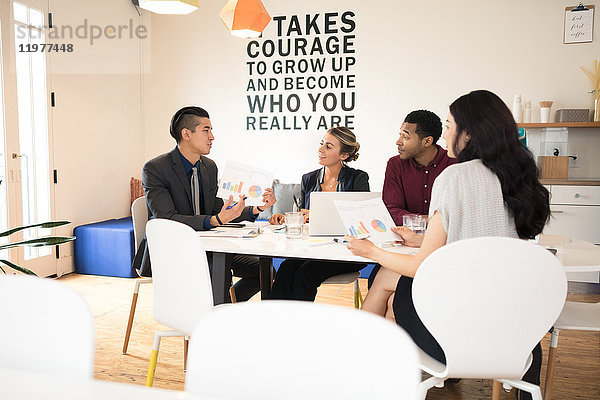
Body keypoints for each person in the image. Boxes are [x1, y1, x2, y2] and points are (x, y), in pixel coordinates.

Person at [347, 90, 550, 399]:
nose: (447, 134)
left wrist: (372, 251)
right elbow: (487, 242)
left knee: (390, 276)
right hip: (515, 336)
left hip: (455, 339)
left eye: (450, 125)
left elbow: (420, 266)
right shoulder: (524, 177)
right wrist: (424, 239)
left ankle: (365, 364)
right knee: (390, 279)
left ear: (468, 133)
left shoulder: (454, 177)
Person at [138, 106, 276, 302]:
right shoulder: (155, 168)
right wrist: (213, 221)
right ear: (186, 134)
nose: (212, 137)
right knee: (217, 272)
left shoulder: (209, 167)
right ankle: (213, 319)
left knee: (264, 271)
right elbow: (166, 218)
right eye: (206, 130)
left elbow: (215, 208)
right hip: (172, 248)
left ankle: (221, 312)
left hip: (208, 246)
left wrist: (256, 209)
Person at [368, 110, 455, 316]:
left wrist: (425, 224)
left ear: (427, 141)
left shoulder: (453, 166)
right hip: (406, 245)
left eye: (406, 136)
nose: (398, 141)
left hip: (443, 251)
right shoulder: (395, 165)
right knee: (378, 283)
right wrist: (431, 221)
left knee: (391, 296)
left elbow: (453, 216)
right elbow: (391, 209)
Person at [268, 126, 369, 301]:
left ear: (343, 155)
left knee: (305, 274)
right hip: (314, 249)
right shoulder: (309, 178)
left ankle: (302, 326)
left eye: (328, 146)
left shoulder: (358, 179)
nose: (320, 149)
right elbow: (304, 215)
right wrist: (288, 218)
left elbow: (360, 221)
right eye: (322, 143)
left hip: (345, 251)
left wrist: (317, 215)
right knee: (286, 269)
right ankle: (276, 321)